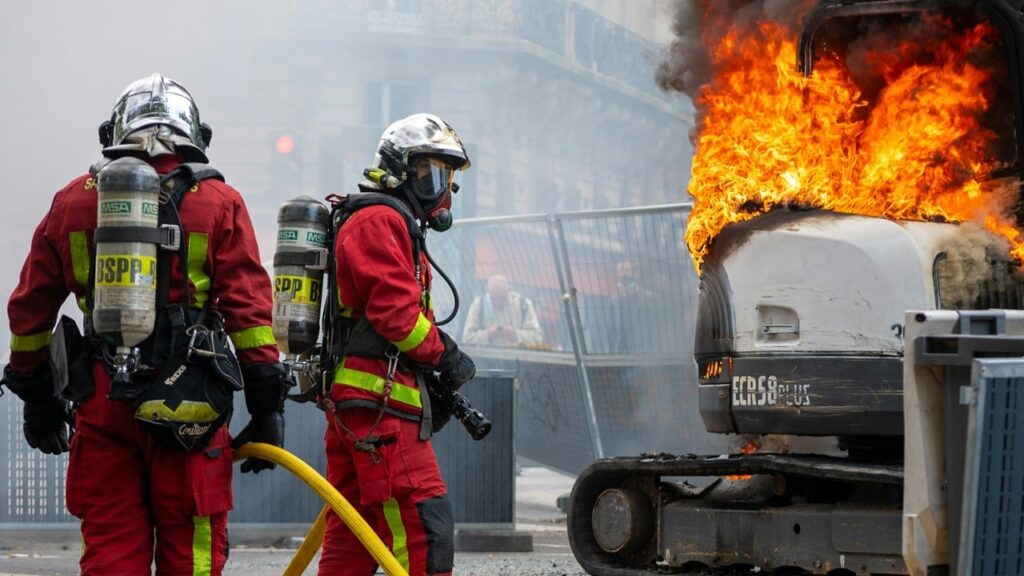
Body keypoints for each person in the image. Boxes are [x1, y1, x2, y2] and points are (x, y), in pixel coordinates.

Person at [1, 73, 289, 575]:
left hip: (100, 398)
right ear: (196, 136)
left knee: (112, 549)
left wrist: (36, 395)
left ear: (113, 132)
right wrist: (266, 407)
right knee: (191, 554)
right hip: (191, 403)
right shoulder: (220, 202)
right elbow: (247, 310)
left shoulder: (73, 201)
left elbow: (31, 310)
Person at [318, 113, 476, 576]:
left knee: (354, 529)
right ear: (399, 169)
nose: (440, 188)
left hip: (368, 404)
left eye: (445, 176)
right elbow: (397, 316)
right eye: (429, 173)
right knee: (423, 522)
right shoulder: (379, 220)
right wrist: (447, 357)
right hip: (379, 406)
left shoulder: (392, 222)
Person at [462, 274, 544, 347]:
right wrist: (488, 335)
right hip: (486, 359)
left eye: (502, 298)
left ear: (509, 290)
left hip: (518, 359)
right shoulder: (479, 305)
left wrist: (515, 335)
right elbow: (466, 339)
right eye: (493, 299)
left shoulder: (524, 305)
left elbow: (538, 338)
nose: (498, 303)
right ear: (487, 291)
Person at [610, 260, 659, 353]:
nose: (623, 274)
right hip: (620, 356)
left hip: (643, 356)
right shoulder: (614, 301)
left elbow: (656, 331)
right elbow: (611, 332)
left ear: (635, 273)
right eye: (620, 271)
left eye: (627, 270)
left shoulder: (651, 299)